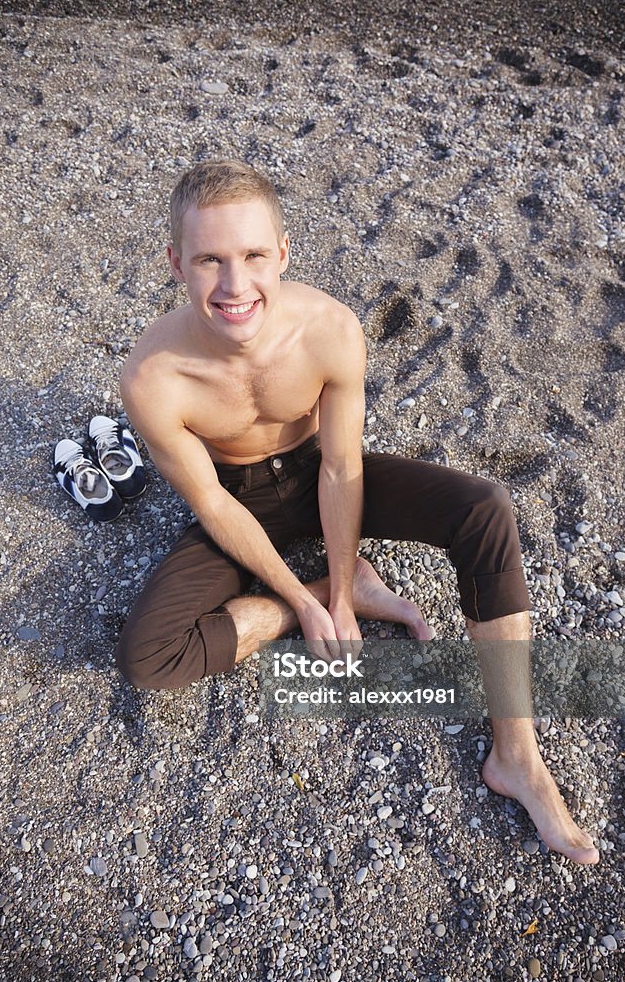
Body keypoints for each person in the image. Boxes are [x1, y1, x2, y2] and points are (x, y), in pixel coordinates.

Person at [117, 159, 599, 865]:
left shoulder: (329, 329)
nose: (234, 285)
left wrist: (343, 597)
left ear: (283, 252)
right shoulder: (151, 376)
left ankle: (516, 757)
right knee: (147, 658)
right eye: (209, 260)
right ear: (174, 263)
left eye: (253, 256)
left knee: (485, 508)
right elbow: (212, 501)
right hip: (238, 498)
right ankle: (318, 592)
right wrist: (308, 603)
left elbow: (343, 467)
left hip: (320, 473)